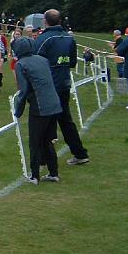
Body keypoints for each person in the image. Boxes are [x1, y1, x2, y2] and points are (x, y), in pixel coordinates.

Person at [34, 9, 90, 166]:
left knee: (44, 122)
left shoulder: (43, 39)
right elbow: (72, 62)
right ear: (60, 21)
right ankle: (80, 153)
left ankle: (44, 158)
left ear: (45, 21)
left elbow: (35, 62)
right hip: (64, 84)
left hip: (49, 86)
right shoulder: (69, 38)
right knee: (65, 120)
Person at [12, 37, 62, 184]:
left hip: (40, 106)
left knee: (35, 142)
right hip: (55, 103)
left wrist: (17, 111)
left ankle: (34, 176)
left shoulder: (20, 64)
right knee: (47, 140)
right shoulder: (43, 59)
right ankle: (53, 173)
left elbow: (23, 90)